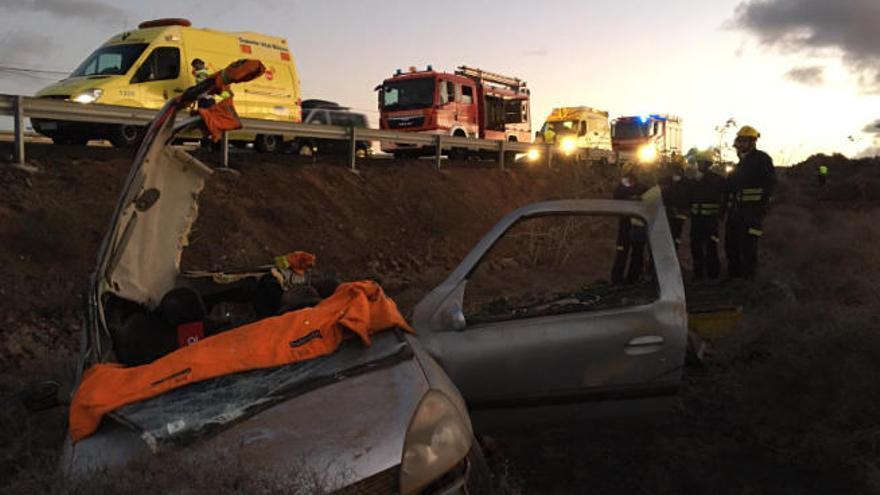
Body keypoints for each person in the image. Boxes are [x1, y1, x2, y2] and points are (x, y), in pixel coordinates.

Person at [725, 126, 776, 279]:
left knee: (748, 246)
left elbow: (770, 184)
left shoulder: (761, 159)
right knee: (731, 244)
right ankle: (735, 278)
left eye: (743, 141)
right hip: (737, 211)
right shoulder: (741, 163)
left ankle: (749, 280)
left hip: (752, 212)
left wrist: (761, 209)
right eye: (739, 141)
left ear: (752, 142)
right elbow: (733, 186)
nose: (740, 144)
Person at [689, 152, 725, 281]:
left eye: (701, 162)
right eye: (698, 162)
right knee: (696, 246)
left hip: (710, 220)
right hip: (696, 219)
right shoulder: (694, 180)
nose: (699, 165)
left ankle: (713, 275)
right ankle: (698, 274)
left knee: (711, 246)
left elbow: (724, 196)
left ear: (708, 164)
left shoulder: (717, 180)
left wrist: (721, 213)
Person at [611, 170, 648, 284]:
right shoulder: (621, 189)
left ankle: (633, 279)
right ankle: (617, 279)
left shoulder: (643, 188)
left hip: (638, 227)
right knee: (622, 252)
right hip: (625, 225)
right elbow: (616, 199)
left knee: (637, 254)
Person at [660, 161, 689, 251]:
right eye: (674, 171)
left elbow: (687, 198)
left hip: (679, 216)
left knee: (676, 237)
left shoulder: (686, 183)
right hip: (665, 215)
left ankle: (674, 253)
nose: (676, 173)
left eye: (678, 171)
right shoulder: (664, 181)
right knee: (664, 238)